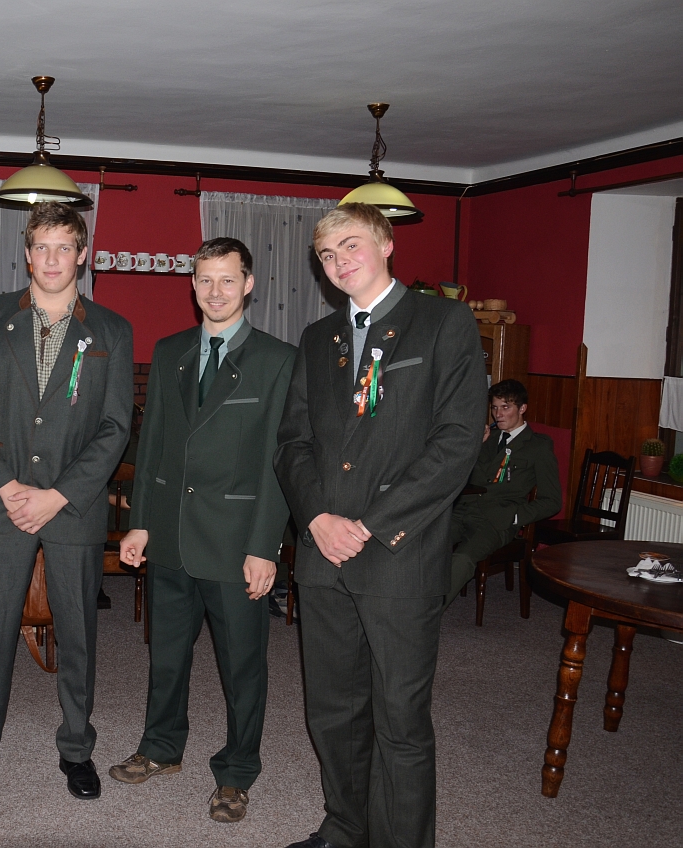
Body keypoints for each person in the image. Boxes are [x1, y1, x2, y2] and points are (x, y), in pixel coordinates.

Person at [274, 203, 485, 848]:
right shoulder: (319, 338)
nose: (339, 261)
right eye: (327, 255)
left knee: (401, 721)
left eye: (350, 245)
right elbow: (293, 443)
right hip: (323, 555)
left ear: (387, 243)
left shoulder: (443, 322)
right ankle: (346, 827)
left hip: (399, 554)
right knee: (332, 713)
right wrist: (317, 518)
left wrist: (367, 525)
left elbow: (457, 442)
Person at [0, 201, 133, 800]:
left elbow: (115, 427)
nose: (52, 259)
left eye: (64, 248)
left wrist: (58, 495)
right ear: (27, 255)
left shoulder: (111, 329)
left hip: (72, 506)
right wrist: (5, 485)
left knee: (78, 634)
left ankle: (77, 749)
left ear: (83, 255)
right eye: (42, 248)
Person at [114, 237, 295, 823]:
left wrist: (264, 546)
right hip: (170, 535)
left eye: (227, 280)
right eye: (205, 280)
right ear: (192, 286)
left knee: (242, 667)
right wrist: (139, 523)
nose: (215, 292)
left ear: (249, 284)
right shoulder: (169, 351)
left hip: (237, 543)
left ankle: (237, 772)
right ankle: (161, 748)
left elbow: (279, 462)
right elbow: (154, 445)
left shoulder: (278, 360)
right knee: (166, 656)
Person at [446, 379, 561, 607]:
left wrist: (515, 516)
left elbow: (552, 501)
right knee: (424, 545)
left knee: (462, 559)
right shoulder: (487, 438)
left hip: (495, 520)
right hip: (462, 511)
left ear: (522, 408)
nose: (498, 414)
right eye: (494, 407)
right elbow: (458, 475)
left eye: (505, 407)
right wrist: (474, 445)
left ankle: (425, 618)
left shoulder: (538, 446)